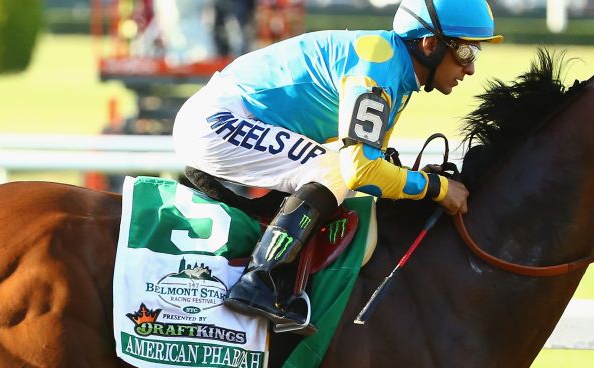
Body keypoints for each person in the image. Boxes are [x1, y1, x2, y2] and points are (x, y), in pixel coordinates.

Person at [172, 0, 499, 331]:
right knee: (333, 169)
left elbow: (373, 165)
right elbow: (360, 171)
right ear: (430, 44)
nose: (470, 69)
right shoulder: (378, 68)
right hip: (217, 121)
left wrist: (417, 182)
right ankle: (259, 281)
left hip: (227, 119)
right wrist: (437, 188)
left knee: (336, 175)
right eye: (466, 53)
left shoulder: (394, 69)